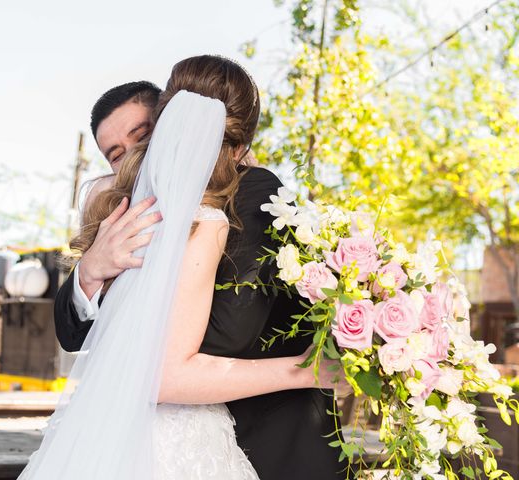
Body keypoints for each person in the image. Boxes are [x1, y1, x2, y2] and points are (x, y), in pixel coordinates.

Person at [45, 56, 349, 479]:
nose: (135, 156)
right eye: (116, 154)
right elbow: (71, 331)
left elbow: (223, 337)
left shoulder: (250, 191)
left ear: (179, 117)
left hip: (272, 443)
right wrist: (91, 270)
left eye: (144, 135)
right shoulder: (123, 220)